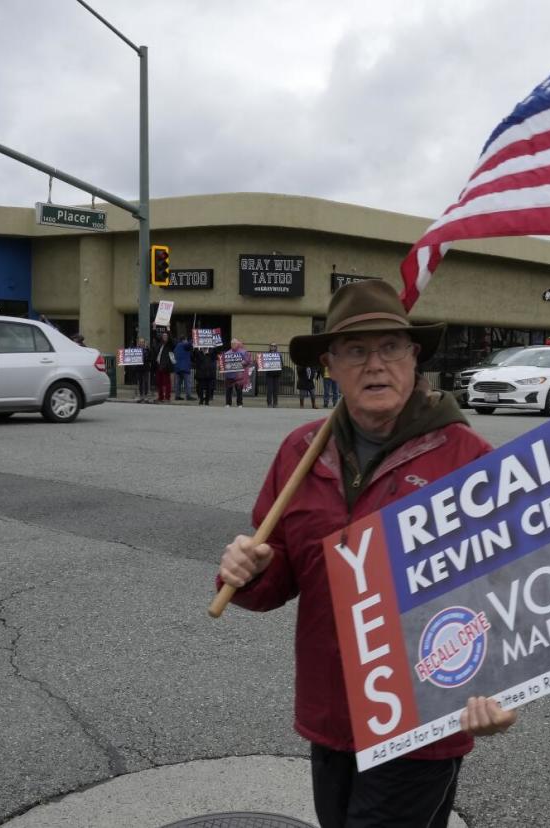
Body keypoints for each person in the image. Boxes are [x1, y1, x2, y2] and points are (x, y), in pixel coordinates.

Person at [216, 280, 516, 828]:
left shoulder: (466, 457)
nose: (375, 366)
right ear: (329, 365)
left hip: (423, 721)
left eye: (390, 349)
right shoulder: (300, 453)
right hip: (331, 713)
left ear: (413, 357)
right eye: (356, 352)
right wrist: (249, 571)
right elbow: (280, 567)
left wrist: (502, 683)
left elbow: (508, 586)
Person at [223, 338, 251, 407]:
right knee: (228, 390)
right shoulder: (227, 353)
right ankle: (228, 403)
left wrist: (244, 362)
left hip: (239, 375)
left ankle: (239, 404)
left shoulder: (243, 352)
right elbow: (223, 363)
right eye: (232, 344)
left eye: (234, 343)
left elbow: (248, 360)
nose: (233, 345)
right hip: (229, 375)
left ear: (237, 344)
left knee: (239, 390)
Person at [154, 331, 175, 403]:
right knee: (159, 382)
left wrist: (169, 330)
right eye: (163, 336)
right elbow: (156, 338)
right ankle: (160, 397)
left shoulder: (169, 345)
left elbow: (172, 341)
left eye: (166, 336)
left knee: (167, 382)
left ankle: (167, 397)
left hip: (166, 366)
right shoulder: (160, 344)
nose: (165, 337)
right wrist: (154, 328)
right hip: (159, 365)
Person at [174, 335, 194, 401]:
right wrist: (194, 337)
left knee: (178, 383)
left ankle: (177, 396)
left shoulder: (177, 346)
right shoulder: (184, 345)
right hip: (185, 367)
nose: (187, 341)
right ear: (184, 340)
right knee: (187, 383)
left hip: (177, 368)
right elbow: (189, 344)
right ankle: (188, 396)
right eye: (186, 340)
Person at [134, 337, 153, 403]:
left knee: (145, 382)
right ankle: (141, 395)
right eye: (140, 342)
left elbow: (150, 358)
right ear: (138, 343)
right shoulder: (135, 350)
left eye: (142, 342)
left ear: (144, 343)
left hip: (145, 368)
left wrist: (146, 355)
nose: (141, 343)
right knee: (140, 382)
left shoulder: (147, 350)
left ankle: (146, 396)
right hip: (138, 368)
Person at [264, 343, 282, 408]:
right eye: (272, 346)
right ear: (270, 347)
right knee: (269, 390)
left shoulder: (279, 355)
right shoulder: (266, 354)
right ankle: (269, 403)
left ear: (276, 347)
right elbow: (263, 363)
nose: (273, 347)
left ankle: (275, 403)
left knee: (276, 390)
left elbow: (281, 364)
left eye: (274, 346)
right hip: (269, 374)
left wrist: (280, 372)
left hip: (277, 375)